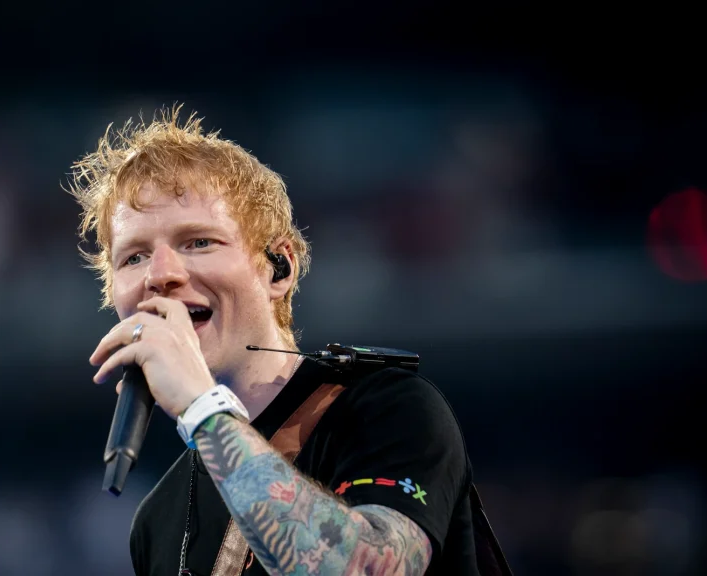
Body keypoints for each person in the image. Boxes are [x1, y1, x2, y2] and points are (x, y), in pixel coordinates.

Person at [69, 106, 480, 575]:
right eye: (134, 257)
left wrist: (202, 408)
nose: (160, 275)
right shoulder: (156, 520)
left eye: (199, 242)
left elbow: (368, 569)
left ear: (278, 268)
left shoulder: (389, 410)